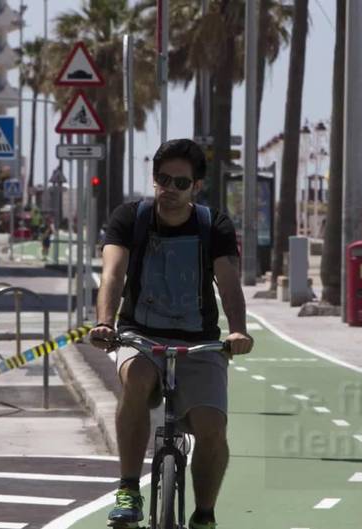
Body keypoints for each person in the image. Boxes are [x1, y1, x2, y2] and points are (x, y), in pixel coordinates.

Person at [88, 139, 253, 529]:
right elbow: (112, 274)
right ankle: (129, 489)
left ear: (196, 186)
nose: (170, 190)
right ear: (154, 179)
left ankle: (205, 514)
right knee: (138, 381)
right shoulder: (131, 218)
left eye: (181, 183)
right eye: (163, 180)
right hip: (139, 335)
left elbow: (229, 286)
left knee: (211, 426)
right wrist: (106, 323)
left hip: (199, 340)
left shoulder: (214, 226)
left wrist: (239, 332)